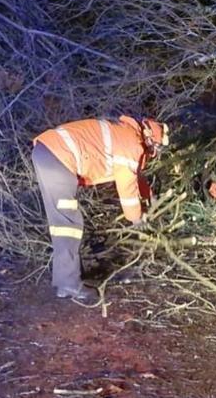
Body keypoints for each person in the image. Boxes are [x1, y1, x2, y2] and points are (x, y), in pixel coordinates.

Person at [31, 115, 171, 303]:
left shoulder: (125, 133)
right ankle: (68, 284)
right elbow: (126, 184)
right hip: (58, 156)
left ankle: (68, 279)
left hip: (48, 152)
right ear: (150, 139)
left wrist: (149, 196)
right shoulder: (132, 143)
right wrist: (136, 218)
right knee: (67, 224)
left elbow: (133, 176)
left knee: (62, 221)